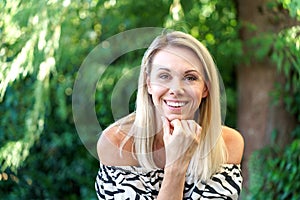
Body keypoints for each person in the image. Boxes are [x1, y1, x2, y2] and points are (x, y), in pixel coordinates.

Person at [95, 30, 244, 199]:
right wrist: (176, 165)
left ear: (205, 88)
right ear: (148, 83)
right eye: (164, 76)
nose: (176, 90)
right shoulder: (117, 144)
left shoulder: (228, 144)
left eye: (190, 78)